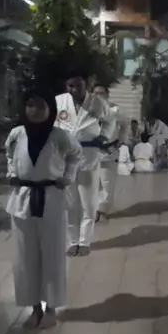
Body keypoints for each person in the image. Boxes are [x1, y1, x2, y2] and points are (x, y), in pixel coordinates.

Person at [5, 89, 82, 328]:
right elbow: (10, 155)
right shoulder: (17, 134)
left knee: (52, 255)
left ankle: (51, 308)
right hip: (22, 199)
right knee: (24, 257)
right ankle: (34, 308)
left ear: (51, 109)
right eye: (30, 105)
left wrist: (67, 177)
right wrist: (11, 172)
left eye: (40, 106)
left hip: (52, 198)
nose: (35, 110)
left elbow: (76, 155)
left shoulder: (61, 136)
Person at [55, 72, 115, 257]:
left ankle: (85, 241)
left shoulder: (97, 102)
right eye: (70, 86)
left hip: (88, 154)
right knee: (70, 202)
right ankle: (73, 241)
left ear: (86, 85)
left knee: (88, 202)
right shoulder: (59, 101)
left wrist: (103, 137)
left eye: (78, 86)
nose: (73, 90)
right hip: (65, 156)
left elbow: (110, 121)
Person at [92, 84, 128, 221]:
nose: (98, 96)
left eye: (101, 93)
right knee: (92, 183)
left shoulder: (115, 110)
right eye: (96, 93)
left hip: (109, 150)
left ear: (107, 95)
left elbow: (125, 125)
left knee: (107, 182)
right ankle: (93, 209)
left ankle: (103, 210)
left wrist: (121, 139)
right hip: (91, 151)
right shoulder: (86, 111)